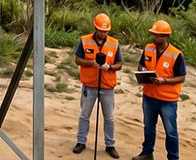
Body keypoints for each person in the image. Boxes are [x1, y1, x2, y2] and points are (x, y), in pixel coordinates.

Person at [133, 20, 186, 160]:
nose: (153, 38)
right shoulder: (148, 48)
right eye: (153, 34)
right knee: (148, 128)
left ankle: (173, 158)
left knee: (171, 132)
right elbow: (141, 64)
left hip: (167, 100)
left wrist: (165, 81)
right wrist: (143, 70)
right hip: (149, 96)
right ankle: (147, 153)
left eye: (156, 35)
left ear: (165, 36)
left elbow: (181, 77)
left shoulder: (176, 54)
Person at [73, 12, 122, 157]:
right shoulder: (85, 41)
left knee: (109, 118)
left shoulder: (114, 43)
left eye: (106, 31)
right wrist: (91, 63)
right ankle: (81, 142)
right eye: (101, 30)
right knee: (84, 115)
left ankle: (110, 145)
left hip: (107, 86)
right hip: (89, 85)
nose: (103, 33)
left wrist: (110, 67)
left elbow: (119, 64)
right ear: (95, 27)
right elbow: (77, 60)